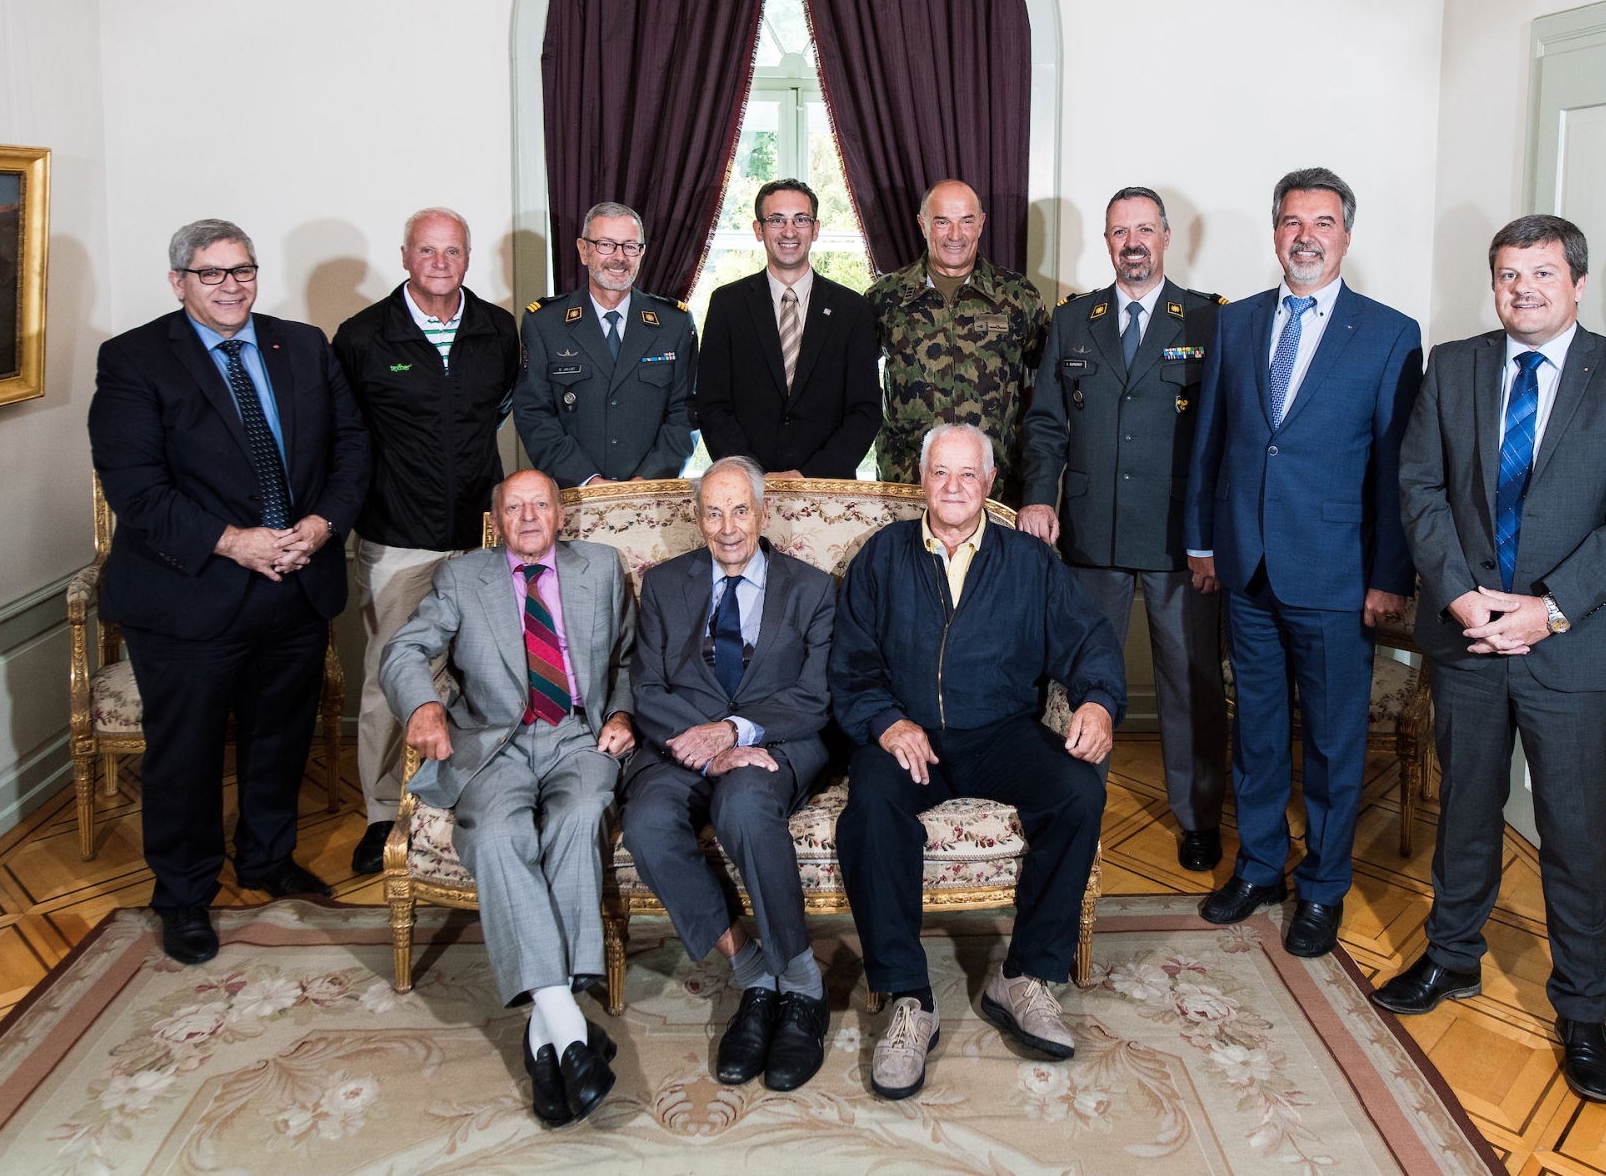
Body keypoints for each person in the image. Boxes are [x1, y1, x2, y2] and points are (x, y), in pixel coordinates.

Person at [1380, 215, 1606, 1104]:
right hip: (1469, 631)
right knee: (1462, 807)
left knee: (1575, 836)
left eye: (1543, 274)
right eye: (1509, 274)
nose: (1524, 290)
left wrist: (1546, 610)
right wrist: (1464, 595)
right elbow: (1419, 486)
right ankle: (1453, 959)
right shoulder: (1456, 363)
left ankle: (1584, 1010)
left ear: (1578, 283)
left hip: (1574, 646)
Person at [88, 219, 370, 965]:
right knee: (186, 754)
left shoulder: (302, 344)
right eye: (211, 273)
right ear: (178, 280)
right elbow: (136, 488)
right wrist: (233, 541)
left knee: (281, 735)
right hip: (193, 593)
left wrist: (321, 523)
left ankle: (268, 858)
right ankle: (182, 894)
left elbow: (352, 447)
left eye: (241, 269)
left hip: (297, 579)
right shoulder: (134, 360)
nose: (230, 285)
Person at [831, 423, 1126, 1101]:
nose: (954, 487)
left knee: (1078, 792)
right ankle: (908, 997)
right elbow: (851, 660)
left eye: (969, 474)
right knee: (870, 808)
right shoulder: (882, 556)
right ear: (921, 481)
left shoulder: (1030, 561)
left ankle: (1023, 976)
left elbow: (1088, 639)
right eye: (941, 473)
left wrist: (1100, 703)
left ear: (990, 485)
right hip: (910, 737)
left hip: (1001, 733)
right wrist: (885, 719)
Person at [1183, 168, 1423, 958]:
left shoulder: (1390, 334)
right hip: (1247, 566)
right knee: (1256, 729)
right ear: (1276, 230)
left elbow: (1397, 468)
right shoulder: (1238, 322)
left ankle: (1322, 886)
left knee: (1329, 740)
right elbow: (1211, 442)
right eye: (1292, 221)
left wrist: (1391, 576)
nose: (1306, 235)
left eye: (1323, 222)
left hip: (1337, 573)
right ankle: (1258, 866)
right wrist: (1203, 541)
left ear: (1346, 235)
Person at [380, 469, 637, 1127]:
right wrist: (424, 707)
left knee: (581, 815)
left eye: (540, 505)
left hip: (579, 736)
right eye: (514, 507)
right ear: (497, 520)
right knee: (496, 835)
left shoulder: (604, 568)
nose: (528, 517)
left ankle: (545, 1030)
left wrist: (626, 715)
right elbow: (405, 648)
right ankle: (568, 1028)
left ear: (560, 514)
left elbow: (632, 660)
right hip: (494, 742)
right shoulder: (464, 578)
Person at [1020, 186, 1229, 871]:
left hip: (1180, 537)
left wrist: (1213, 531)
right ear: (1107, 243)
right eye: (1119, 232)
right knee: (1090, 679)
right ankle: (1084, 804)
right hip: (1091, 531)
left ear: (1167, 237)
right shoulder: (1075, 320)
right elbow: (1047, 424)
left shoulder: (1206, 320)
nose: (1132, 242)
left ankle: (1198, 816)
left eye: (1144, 230)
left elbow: (1223, 432)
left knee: (1190, 679)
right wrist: (1038, 497)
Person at [621, 455, 838, 1091]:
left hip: (773, 745)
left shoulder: (813, 589)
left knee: (743, 805)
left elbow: (814, 696)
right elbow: (647, 686)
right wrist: (705, 740)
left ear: (764, 513)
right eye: (713, 512)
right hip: (680, 746)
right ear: (697, 518)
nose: (727, 527)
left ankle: (800, 984)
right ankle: (752, 973)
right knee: (647, 822)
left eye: (740, 510)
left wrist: (736, 733)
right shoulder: (663, 584)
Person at [332, 207, 520, 874]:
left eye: (454, 252)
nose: (441, 263)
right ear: (406, 255)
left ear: (468, 259)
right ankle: (383, 813)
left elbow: (498, 414)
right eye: (428, 251)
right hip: (396, 538)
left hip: (480, 536)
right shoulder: (361, 338)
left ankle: (467, 791)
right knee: (392, 677)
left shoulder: (498, 331)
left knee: (483, 673)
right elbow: (345, 438)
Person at [869, 180, 1048, 503]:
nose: (955, 234)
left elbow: (1048, 387)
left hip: (995, 486)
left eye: (966, 220)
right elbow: (852, 388)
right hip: (907, 485)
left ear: (981, 223)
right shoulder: (885, 297)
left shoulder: (1018, 297)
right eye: (942, 221)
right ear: (923, 224)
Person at [695, 179, 881, 478]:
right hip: (746, 486)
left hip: (826, 487)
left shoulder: (853, 310)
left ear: (815, 229)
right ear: (759, 230)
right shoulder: (726, 305)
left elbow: (865, 410)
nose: (789, 231)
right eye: (776, 220)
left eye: (801, 220)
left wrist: (811, 475)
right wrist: (751, 473)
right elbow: (711, 405)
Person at [514, 201, 697, 487]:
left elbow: (686, 413)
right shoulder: (544, 323)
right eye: (606, 245)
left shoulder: (674, 323)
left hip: (651, 498)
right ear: (583, 250)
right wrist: (588, 480)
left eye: (629, 246)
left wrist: (646, 481)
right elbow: (534, 414)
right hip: (574, 496)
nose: (619, 257)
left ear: (642, 253)